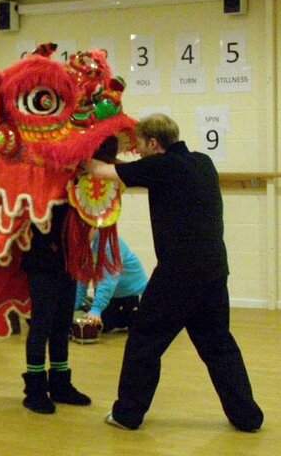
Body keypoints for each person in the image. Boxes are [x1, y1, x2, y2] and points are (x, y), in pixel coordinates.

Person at [85, 113, 264, 432]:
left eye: (140, 145)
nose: (137, 151)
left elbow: (99, 170)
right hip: (213, 271)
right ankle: (248, 417)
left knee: (144, 338)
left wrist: (74, 147)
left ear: (154, 143)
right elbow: (133, 167)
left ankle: (127, 414)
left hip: (177, 275)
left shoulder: (161, 166)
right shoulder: (203, 163)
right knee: (218, 344)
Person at [20, 204, 92, 414]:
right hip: (41, 256)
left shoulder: (73, 179)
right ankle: (35, 389)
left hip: (66, 256)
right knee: (42, 323)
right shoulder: (41, 178)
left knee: (62, 323)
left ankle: (60, 384)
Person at [75, 231, 147, 333]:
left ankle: (137, 315)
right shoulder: (84, 245)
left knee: (102, 325)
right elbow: (82, 279)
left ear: (95, 227)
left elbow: (108, 281)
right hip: (113, 295)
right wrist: (74, 306)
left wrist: (96, 309)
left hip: (132, 294)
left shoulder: (110, 243)